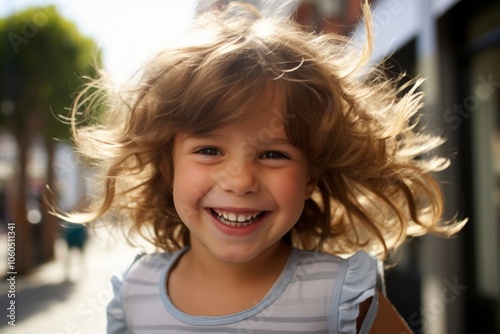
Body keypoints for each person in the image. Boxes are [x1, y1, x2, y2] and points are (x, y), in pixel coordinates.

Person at [55, 1, 465, 333]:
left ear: (310, 178)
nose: (240, 180)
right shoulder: (134, 294)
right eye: (210, 150)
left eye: (273, 154)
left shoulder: (341, 298)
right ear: (168, 166)